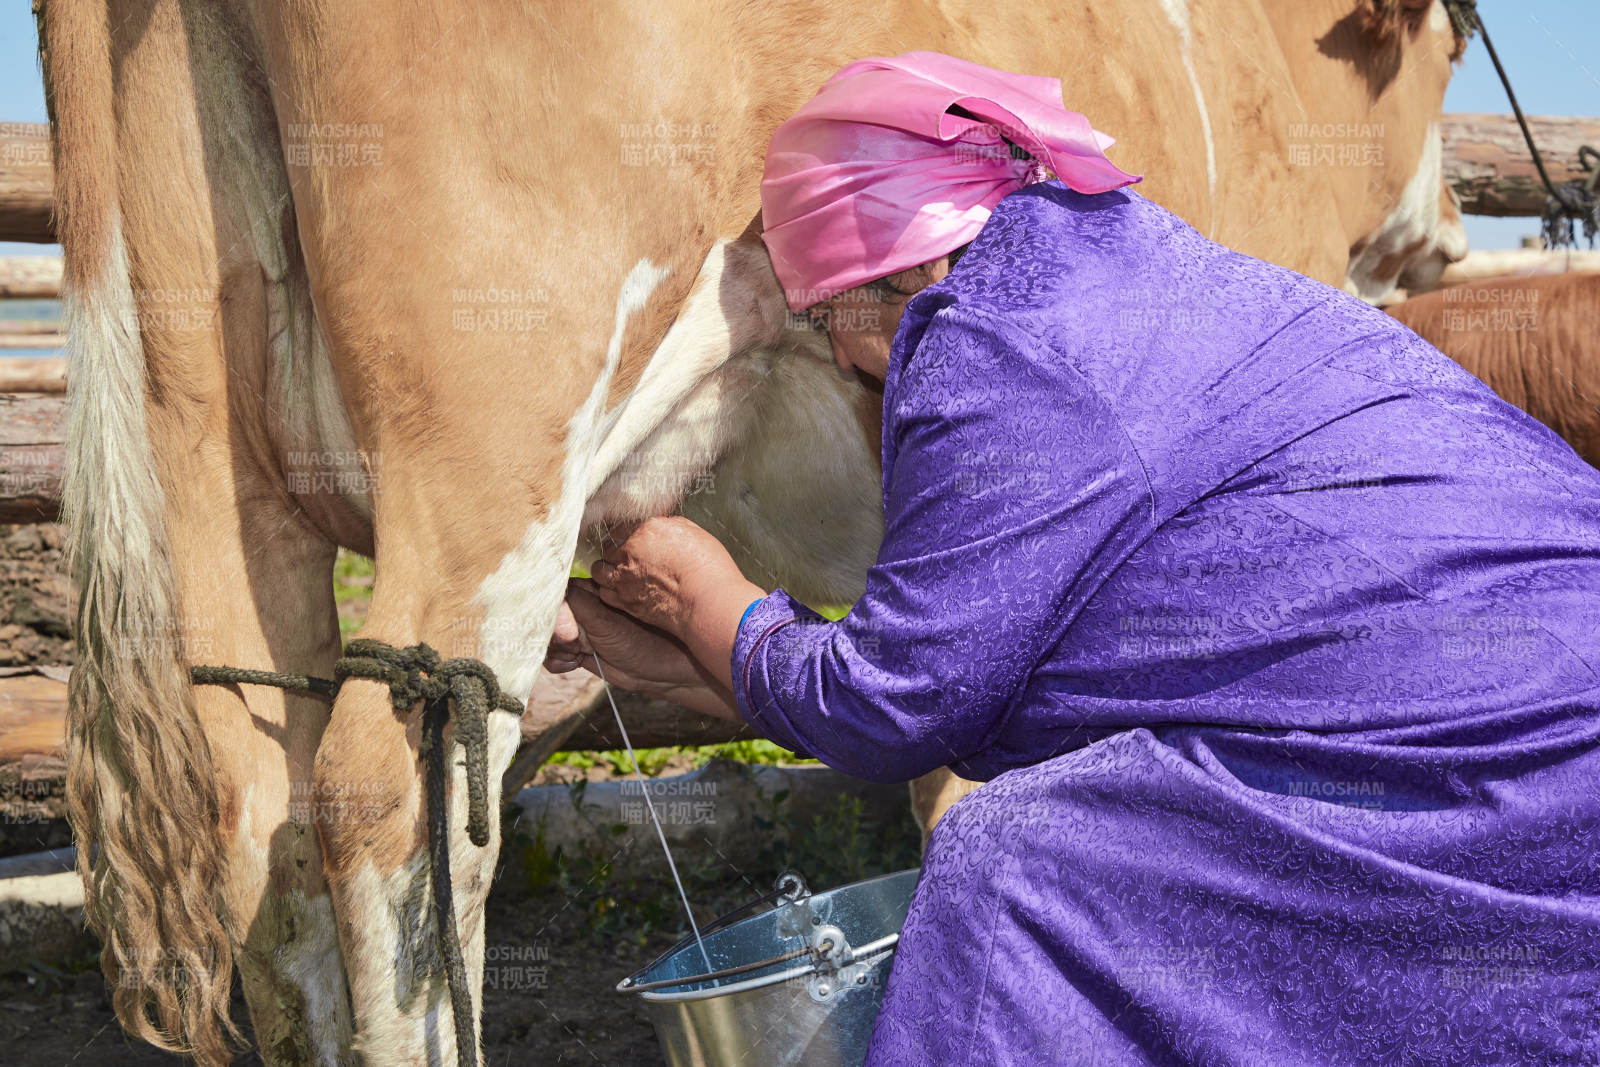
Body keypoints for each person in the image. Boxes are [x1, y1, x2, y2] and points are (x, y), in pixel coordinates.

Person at [545, 52, 1600, 1065]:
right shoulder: (1124, 266)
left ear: (912, 262)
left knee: (1015, 867)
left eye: (829, 312)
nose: (834, 353)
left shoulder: (993, 338)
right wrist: (638, 637)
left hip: (1490, 765)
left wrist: (710, 592)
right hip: (1521, 722)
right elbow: (991, 672)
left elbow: (893, 704)